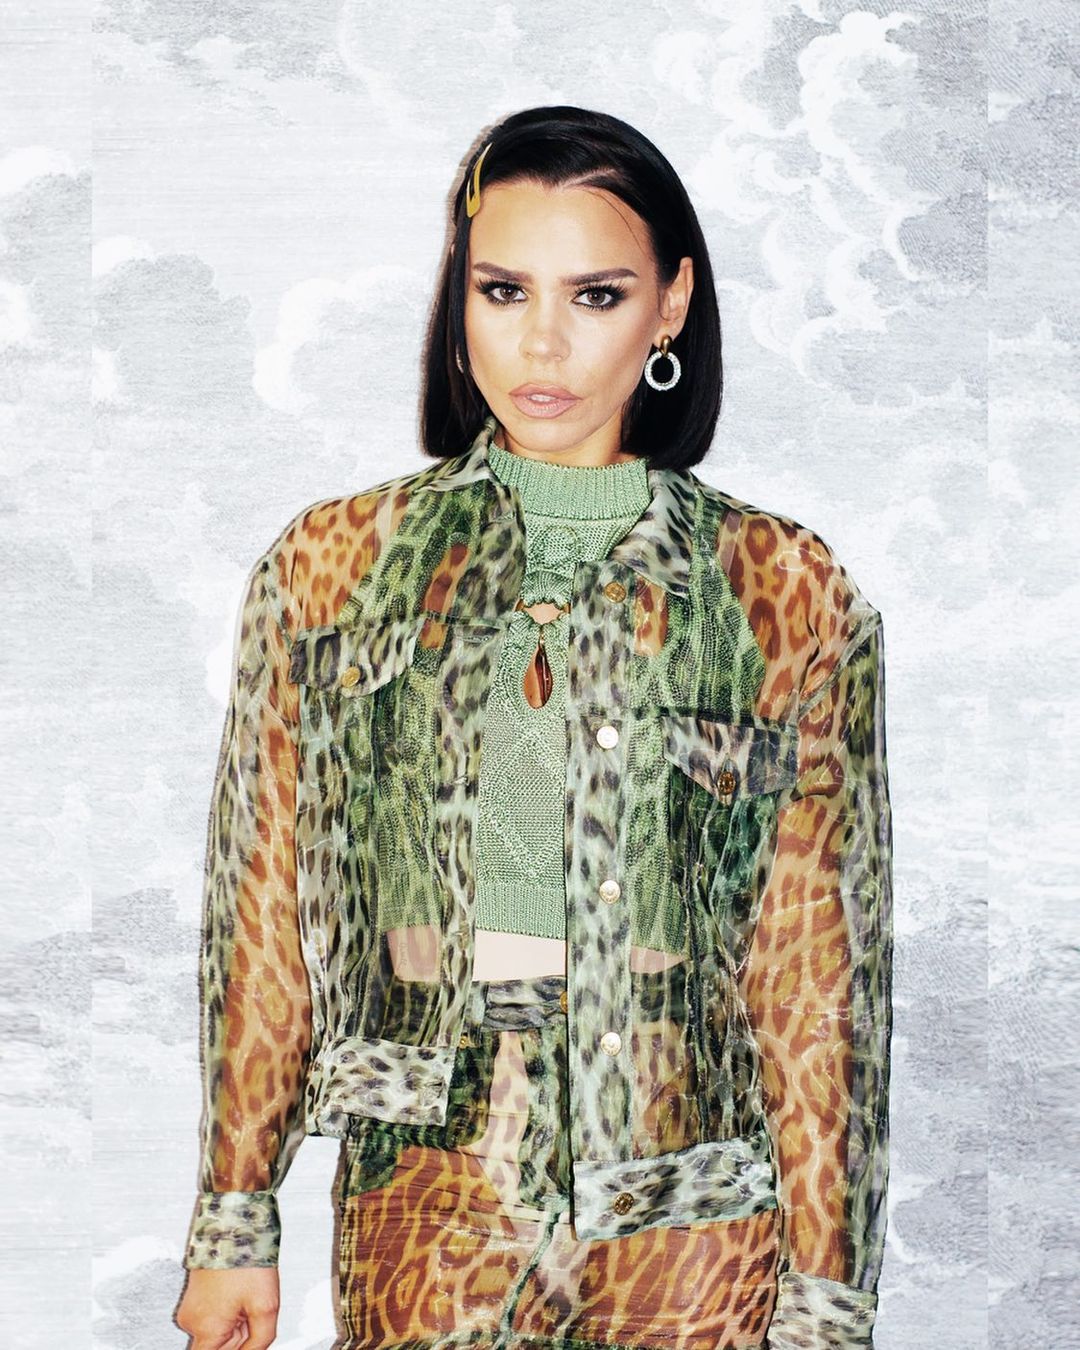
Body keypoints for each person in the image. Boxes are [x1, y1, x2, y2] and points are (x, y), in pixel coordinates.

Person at [175, 106, 893, 1350]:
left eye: (597, 295)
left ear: (671, 306)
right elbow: (262, 910)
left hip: (694, 1204)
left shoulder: (784, 587)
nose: (542, 342)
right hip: (428, 1185)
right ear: (461, 293)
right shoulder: (336, 566)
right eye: (503, 290)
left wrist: (827, 1299)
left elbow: (816, 973)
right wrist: (235, 1216)